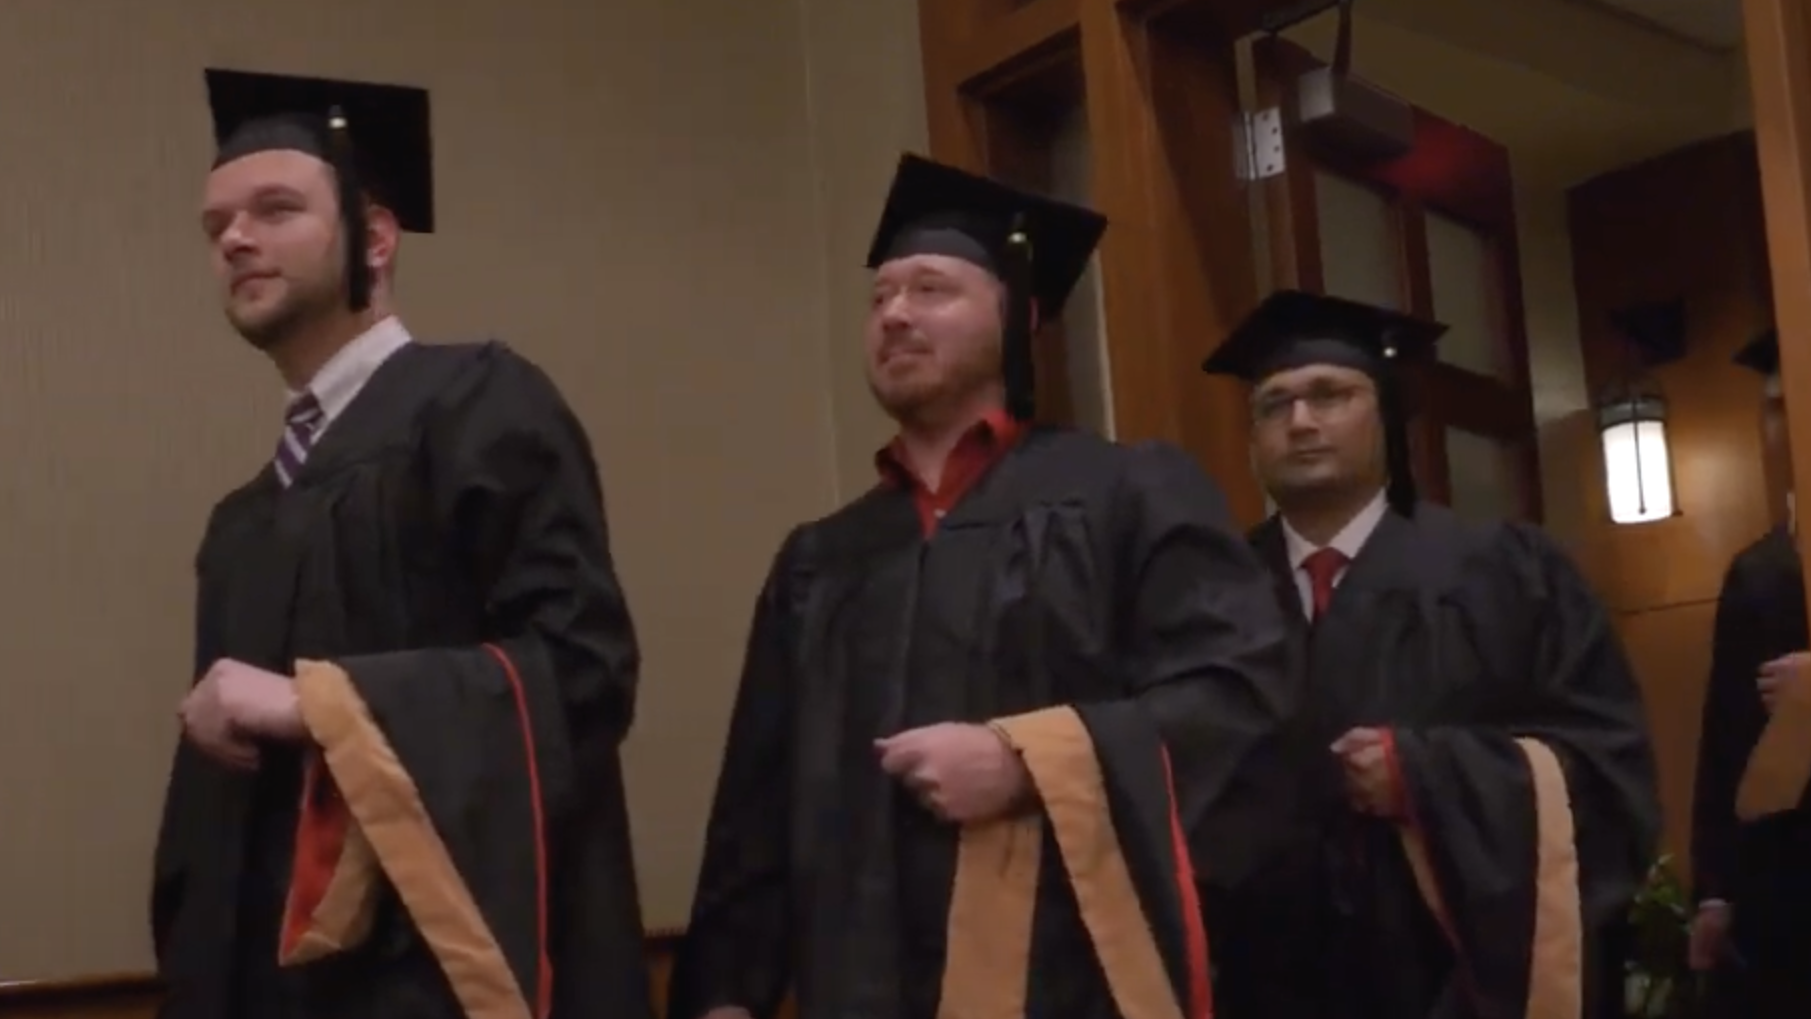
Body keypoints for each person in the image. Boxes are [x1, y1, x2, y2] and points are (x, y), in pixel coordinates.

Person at [665, 153, 1302, 1019]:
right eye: (879, 295)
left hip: (1067, 978)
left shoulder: (1127, 493)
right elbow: (756, 802)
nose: (893, 314)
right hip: (854, 983)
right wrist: (729, 992)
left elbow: (1239, 699)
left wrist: (1026, 762)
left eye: (930, 289)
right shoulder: (820, 559)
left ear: (1020, 316)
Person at [150, 69, 650, 1019]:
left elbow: (583, 673)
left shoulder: (479, 404)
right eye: (217, 226)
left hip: (434, 976)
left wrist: (316, 704)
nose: (236, 240)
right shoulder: (244, 519)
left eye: (274, 209)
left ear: (375, 237)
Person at [1200, 289, 1661, 1019]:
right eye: (1272, 404)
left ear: (1384, 413)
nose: (1300, 421)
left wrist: (1426, 775)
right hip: (1261, 981)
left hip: (1455, 978)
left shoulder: (1507, 572)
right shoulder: (1208, 594)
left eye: (1329, 394)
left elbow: (1607, 768)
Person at [1688, 328, 1811, 1017]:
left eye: (1791, 403)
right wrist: (1714, 887)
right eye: (1769, 406)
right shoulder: (1759, 573)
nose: (1780, 424)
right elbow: (1722, 736)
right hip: (1782, 886)